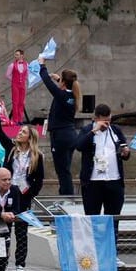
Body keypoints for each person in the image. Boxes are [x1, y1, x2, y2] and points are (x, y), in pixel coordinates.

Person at [75, 103, 129, 234]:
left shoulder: (115, 131)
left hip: (113, 181)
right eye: (104, 120)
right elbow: (79, 146)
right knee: (92, 220)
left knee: (113, 221)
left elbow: (123, 148)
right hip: (93, 183)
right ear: (96, 118)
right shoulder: (87, 130)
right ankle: (94, 252)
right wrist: (94, 131)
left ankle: (111, 251)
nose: (107, 123)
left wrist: (126, 152)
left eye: (109, 120)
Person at [6, 124, 44, 271]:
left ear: (30, 137)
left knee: (21, 231)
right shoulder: (12, 152)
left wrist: (30, 193)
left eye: (23, 132)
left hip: (24, 195)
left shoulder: (36, 156)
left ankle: (20, 263)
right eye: (20, 131)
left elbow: (39, 179)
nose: (19, 133)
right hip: (9, 192)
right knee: (4, 230)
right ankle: (1, 261)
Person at [40, 64, 80, 196]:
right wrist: (59, 79)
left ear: (64, 82)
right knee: (65, 168)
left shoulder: (61, 95)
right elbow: (64, 87)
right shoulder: (71, 96)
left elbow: (46, 81)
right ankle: (65, 193)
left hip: (61, 136)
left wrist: (42, 65)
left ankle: (67, 196)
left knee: (62, 170)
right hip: (70, 135)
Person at [7, 49, 29, 125]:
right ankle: (15, 120)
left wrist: (23, 80)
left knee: (22, 102)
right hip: (15, 85)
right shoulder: (12, 65)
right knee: (15, 102)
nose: (15, 56)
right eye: (15, 54)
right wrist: (14, 80)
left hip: (22, 85)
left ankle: (20, 119)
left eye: (17, 54)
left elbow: (27, 75)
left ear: (21, 56)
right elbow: (8, 75)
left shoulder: (26, 64)